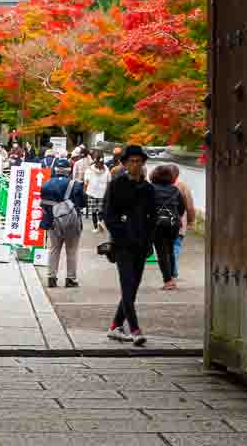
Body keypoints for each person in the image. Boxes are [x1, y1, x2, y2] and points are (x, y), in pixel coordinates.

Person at [101, 145, 153, 345]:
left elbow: (153, 216)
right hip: (122, 243)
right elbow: (108, 214)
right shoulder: (116, 185)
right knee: (127, 284)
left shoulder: (147, 188)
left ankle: (115, 326)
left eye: (139, 161)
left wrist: (149, 240)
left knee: (133, 286)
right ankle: (135, 329)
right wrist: (120, 233)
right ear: (124, 164)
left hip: (142, 242)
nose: (136, 165)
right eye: (131, 161)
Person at [38, 156, 85, 287]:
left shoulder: (46, 184)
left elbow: (43, 204)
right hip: (72, 222)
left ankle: (51, 278)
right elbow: (83, 203)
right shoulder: (75, 185)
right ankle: (70, 279)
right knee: (71, 250)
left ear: (56, 170)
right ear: (69, 171)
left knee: (54, 249)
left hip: (53, 221)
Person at [149, 163, 185, 289]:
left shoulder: (150, 189)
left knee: (161, 252)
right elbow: (181, 207)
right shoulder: (175, 189)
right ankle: (172, 277)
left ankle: (168, 281)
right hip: (173, 224)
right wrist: (176, 217)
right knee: (170, 250)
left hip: (157, 224)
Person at [169, 164, 197, 279]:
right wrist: (191, 220)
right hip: (179, 222)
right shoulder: (183, 186)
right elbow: (189, 206)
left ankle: (171, 271)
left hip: (162, 222)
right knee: (176, 245)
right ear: (177, 174)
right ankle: (172, 270)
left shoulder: (158, 186)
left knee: (166, 247)